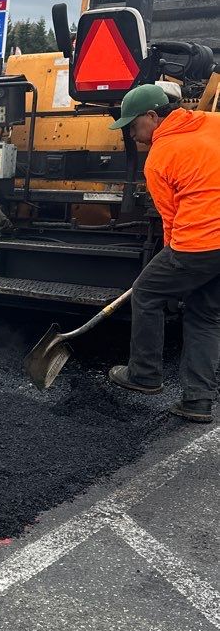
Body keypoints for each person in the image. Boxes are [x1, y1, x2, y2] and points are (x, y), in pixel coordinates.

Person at [107, 83, 220, 422]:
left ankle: (144, 375)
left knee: (146, 292)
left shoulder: (160, 156)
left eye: (132, 125)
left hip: (198, 242)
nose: (131, 134)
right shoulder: (212, 123)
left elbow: (170, 221)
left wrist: (173, 259)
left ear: (153, 117)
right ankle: (197, 401)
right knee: (206, 315)